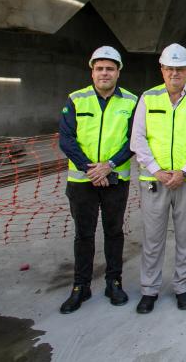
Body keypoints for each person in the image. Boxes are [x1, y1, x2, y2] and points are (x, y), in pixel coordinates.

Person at [130, 43, 186, 314]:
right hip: (154, 180)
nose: (174, 73)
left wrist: (184, 171)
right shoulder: (148, 98)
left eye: (180, 69)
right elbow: (138, 138)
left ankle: (183, 287)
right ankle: (149, 289)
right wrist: (156, 170)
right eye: (169, 68)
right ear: (162, 70)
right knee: (153, 237)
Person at [58, 46, 137, 313]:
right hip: (82, 181)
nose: (105, 73)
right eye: (100, 68)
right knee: (84, 234)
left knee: (114, 232)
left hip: (116, 178)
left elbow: (134, 140)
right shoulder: (76, 99)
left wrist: (109, 166)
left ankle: (114, 281)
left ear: (118, 72)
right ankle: (81, 286)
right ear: (92, 71)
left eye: (110, 69)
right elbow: (66, 139)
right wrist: (90, 168)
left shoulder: (130, 102)